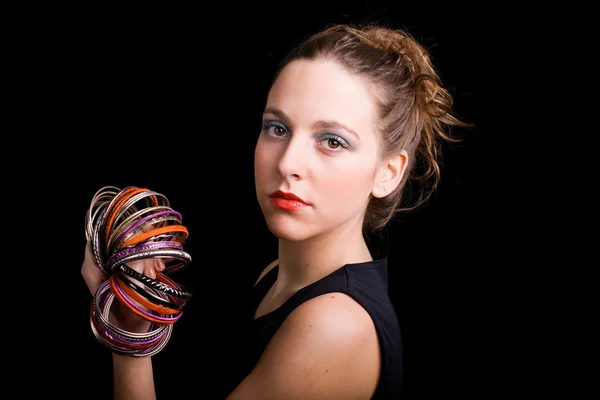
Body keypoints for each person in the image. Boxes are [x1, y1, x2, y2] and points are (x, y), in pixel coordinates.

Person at [81, 21, 471, 399]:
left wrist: (127, 332)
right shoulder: (280, 275)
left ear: (388, 174)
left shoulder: (334, 326)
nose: (287, 163)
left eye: (332, 141)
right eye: (277, 128)